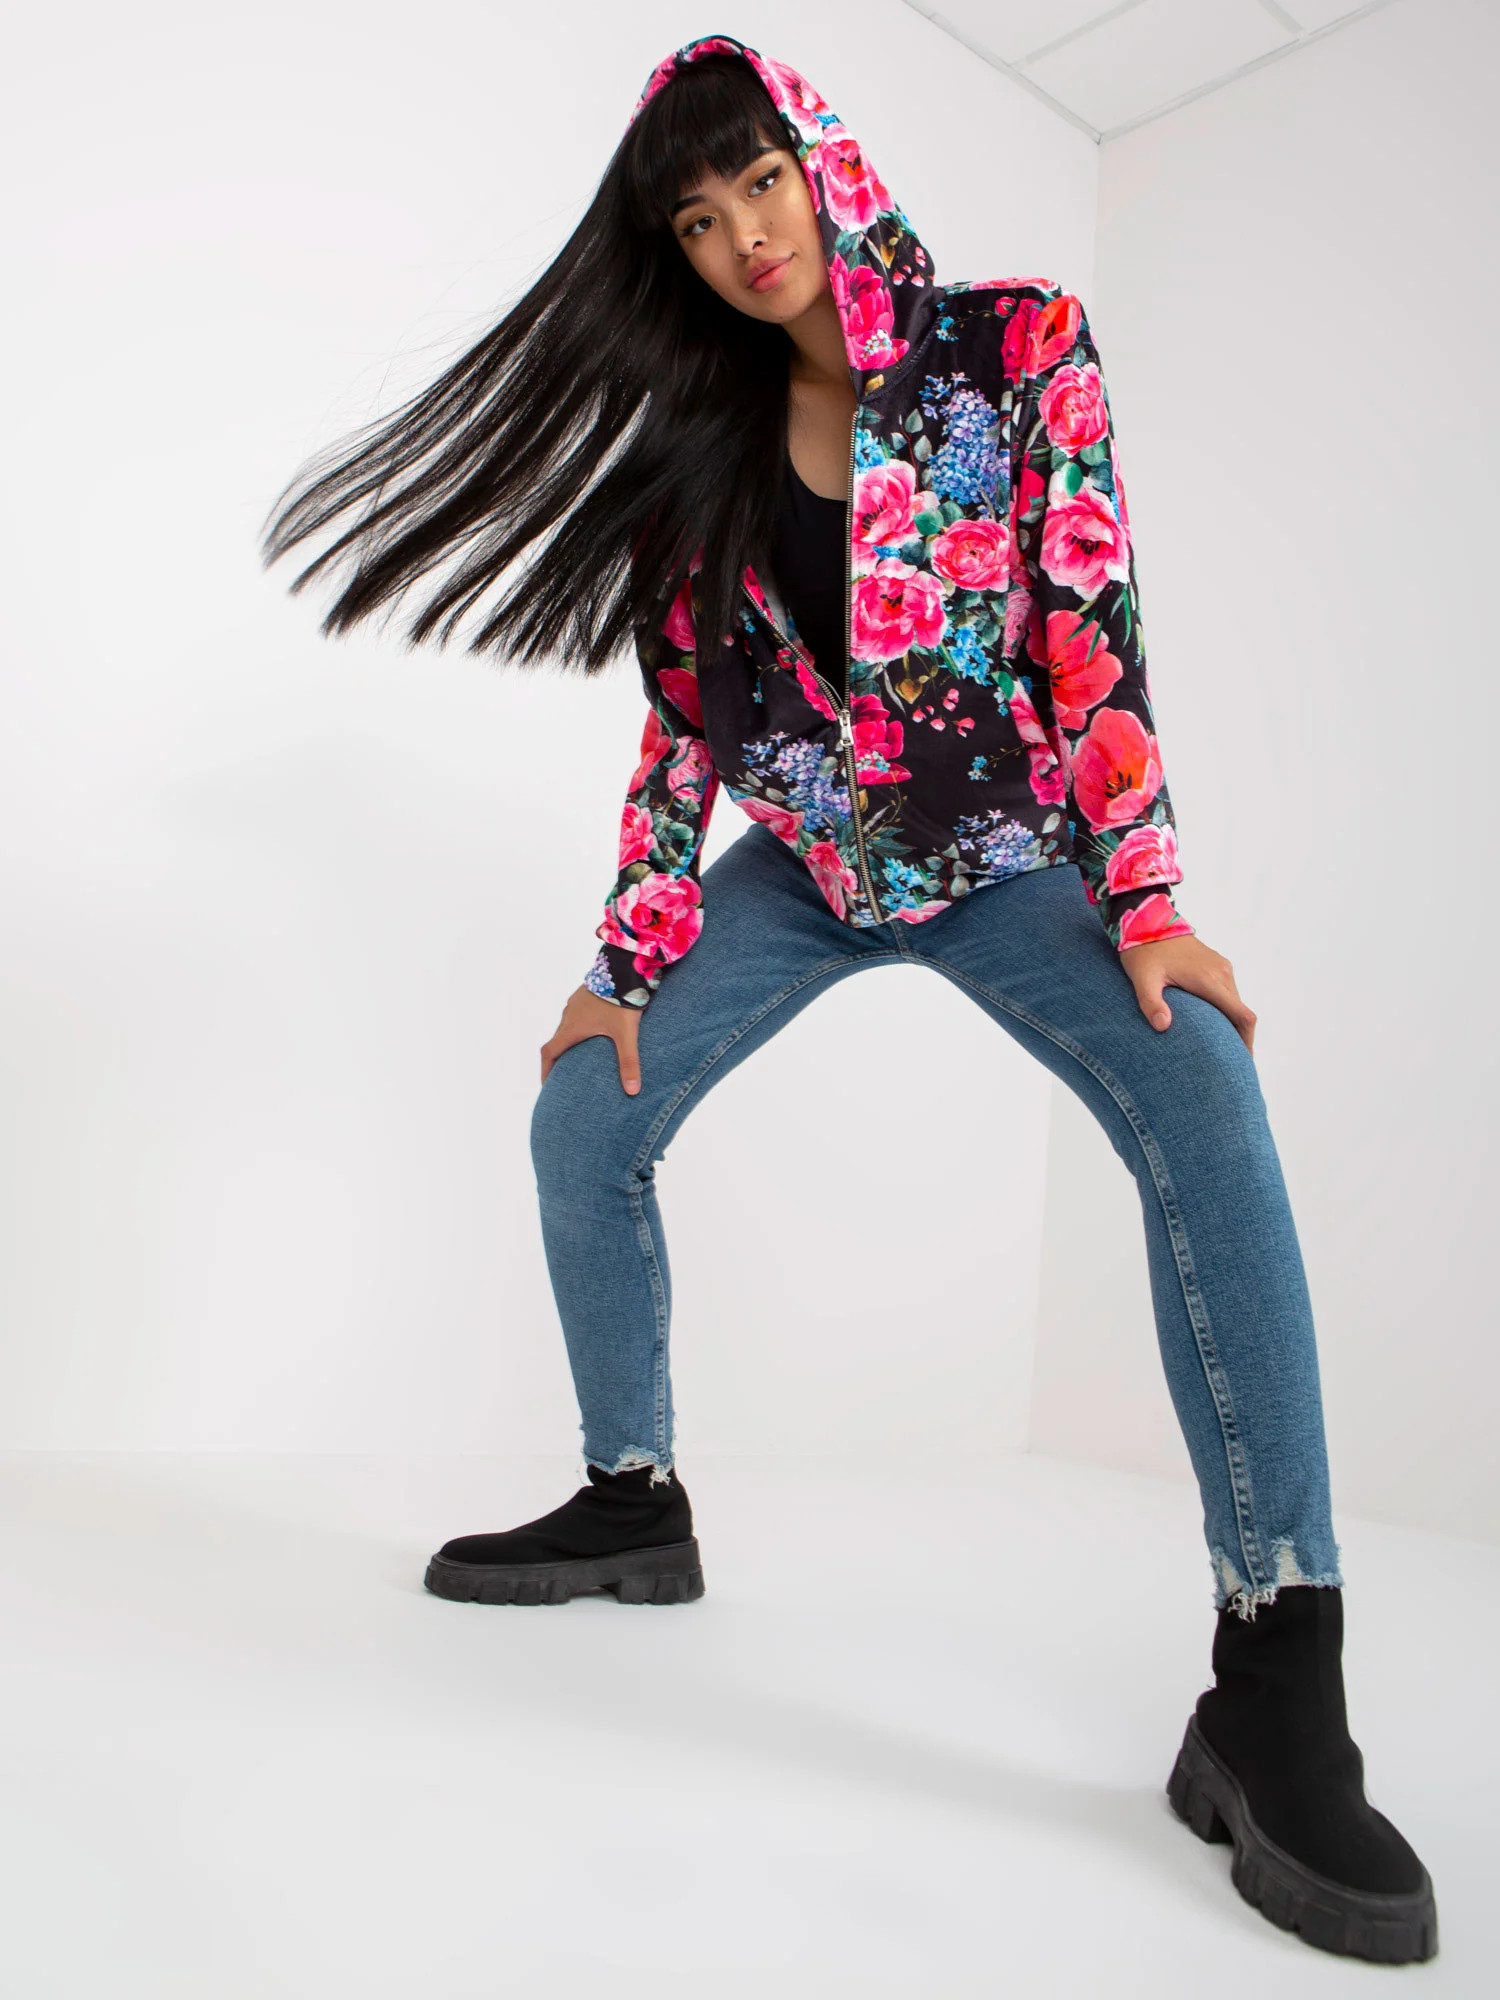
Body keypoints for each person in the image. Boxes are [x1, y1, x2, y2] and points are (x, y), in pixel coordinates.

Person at [260, 33, 1436, 1965]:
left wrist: (1145, 903)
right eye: (695, 219)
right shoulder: (699, 449)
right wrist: (629, 954)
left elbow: (1094, 631)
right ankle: (632, 1501)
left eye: (759, 183)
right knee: (582, 1111)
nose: (743, 236)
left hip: (1012, 860)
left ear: (823, 161)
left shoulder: (1015, 348)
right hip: (806, 872)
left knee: (1207, 1095)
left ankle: (1278, 1671)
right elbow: (681, 731)